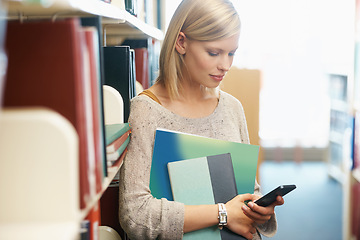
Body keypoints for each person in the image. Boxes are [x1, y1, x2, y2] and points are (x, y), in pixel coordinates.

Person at [118, 0, 284, 239]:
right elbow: (135, 214)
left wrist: (258, 209)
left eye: (231, 53)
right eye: (214, 53)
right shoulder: (147, 111)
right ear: (181, 42)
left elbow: (248, 190)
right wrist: (223, 213)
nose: (225, 65)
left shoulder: (232, 108)